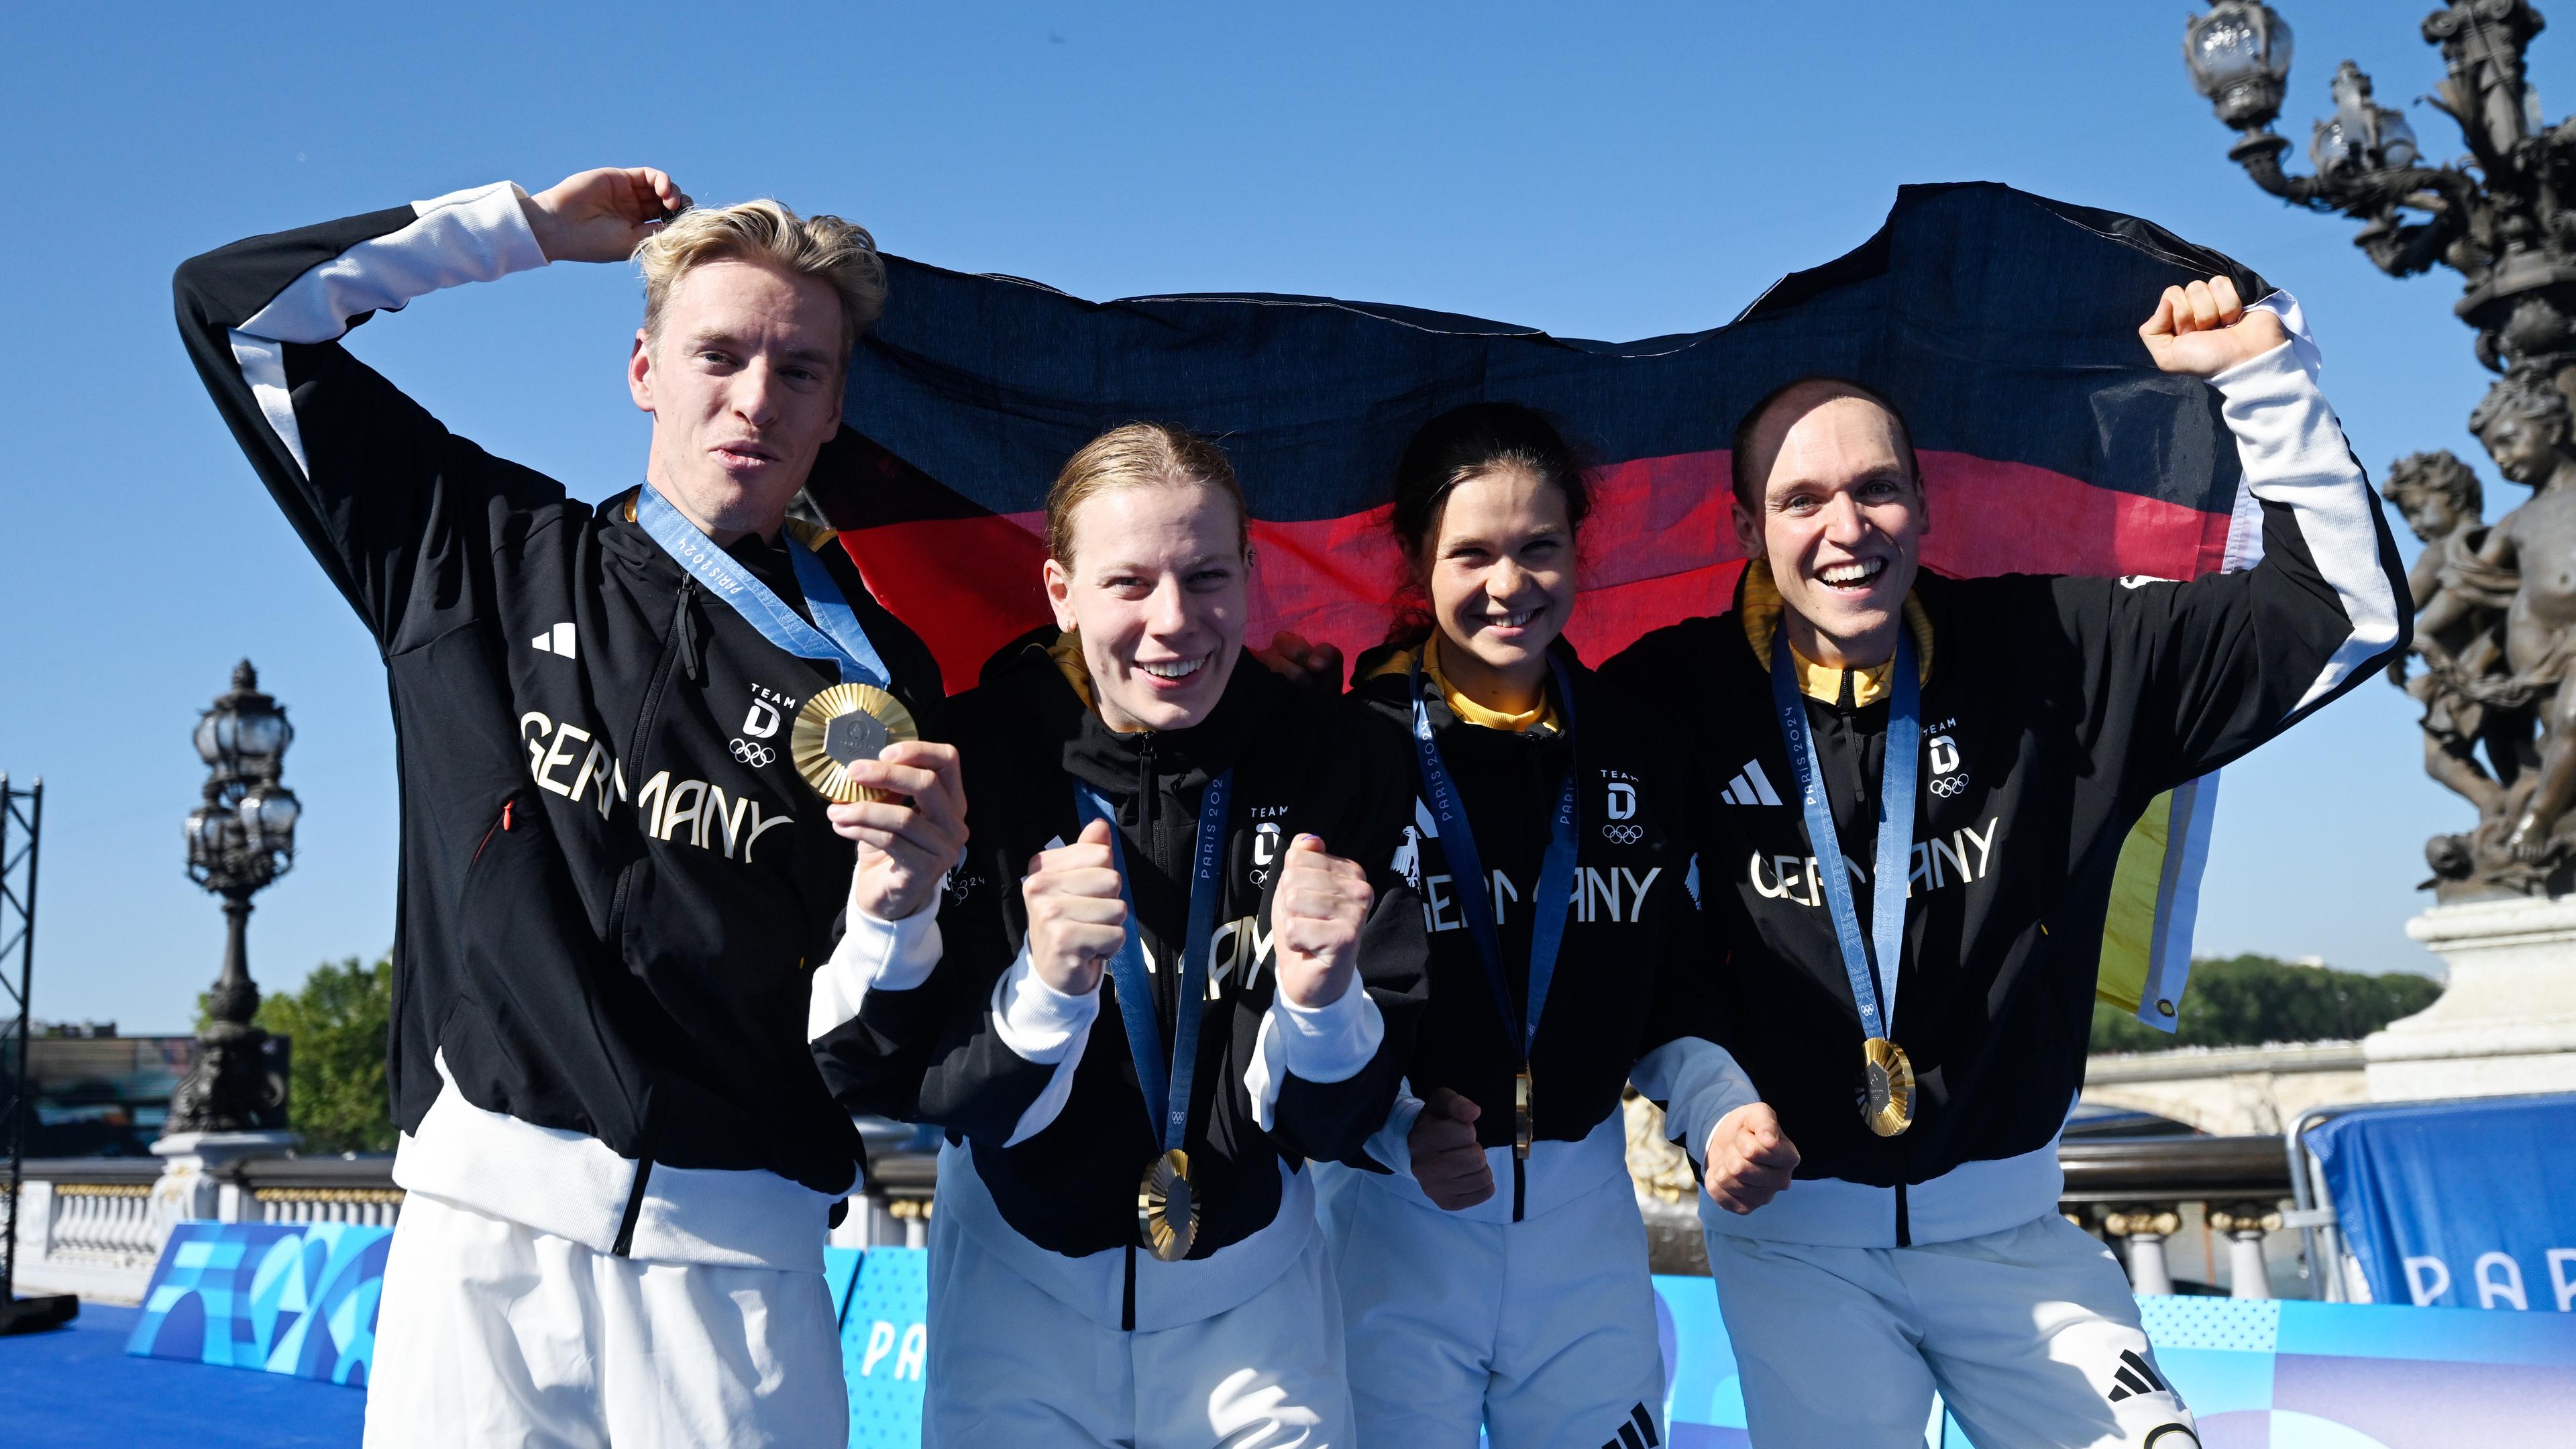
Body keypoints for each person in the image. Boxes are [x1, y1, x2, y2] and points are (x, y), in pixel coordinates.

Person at [176, 167, 965, 1447]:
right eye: (718, 352)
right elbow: (234, 311)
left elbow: (888, 1047)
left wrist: (899, 916)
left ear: (836, 414)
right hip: (483, 1248)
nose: (754, 397)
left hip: (739, 1279)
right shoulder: (474, 551)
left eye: (800, 370)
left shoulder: (877, 685)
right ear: (644, 368)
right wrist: (522, 231)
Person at [1598, 277, 2407, 1449]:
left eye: (1878, 489)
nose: (1845, 528)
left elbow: (2343, 614)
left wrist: (2262, 378)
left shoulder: (2060, 648)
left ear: (1926, 507)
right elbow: (1622, 943)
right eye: (1802, 498)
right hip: (1796, 1250)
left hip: (2019, 1238)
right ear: (1747, 529)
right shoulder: (1664, 701)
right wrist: (1712, 1102)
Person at [811, 423, 1428, 1447]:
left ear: (1251, 573)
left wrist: (1322, 1000)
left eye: (1206, 576)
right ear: (1060, 591)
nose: (1174, 622)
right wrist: (1044, 989)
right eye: (1129, 583)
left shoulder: (1337, 756)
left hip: (1254, 1305)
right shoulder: (981, 756)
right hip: (1018, 1294)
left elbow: (1338, 1119)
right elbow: (881, 1075)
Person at [1318, 403, 1759, 1449]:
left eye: (1539, 548)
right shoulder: (1343, 751)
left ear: (1578, 551)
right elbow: (1300, 1011)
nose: (1507, 584)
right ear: (1417, 562)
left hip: (1585, 1220)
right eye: (1471, 553)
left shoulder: (1641, 747)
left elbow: (1673, 982)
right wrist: (1395, 1128)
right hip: (1388, 1223)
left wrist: (1721, 1104)